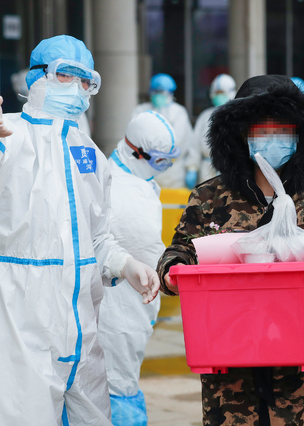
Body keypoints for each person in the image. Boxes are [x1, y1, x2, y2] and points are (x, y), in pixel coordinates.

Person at [0, 35, 160, 426]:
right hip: (18, 322)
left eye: (85, 81)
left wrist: (127, 264)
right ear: (36, 78)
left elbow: (96, 237)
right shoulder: (6, 136)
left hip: (82, 327)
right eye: (65, 76)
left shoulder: (90, 154)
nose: (76, 90)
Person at [156, 75, 304, 424]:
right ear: (240, 134)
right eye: (261, 130)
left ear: (301, 135)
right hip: (230, 378)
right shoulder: (210, 198)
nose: (272, 139)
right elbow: (179, 252)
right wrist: (172, 275)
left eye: (283, 130)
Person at [98, 110, 179, 425]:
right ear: (136, 151)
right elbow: (155, 259)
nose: (164, 169)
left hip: (127, 309)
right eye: (160, 161)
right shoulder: (123, 192)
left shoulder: (127, 174)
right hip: (118, 314)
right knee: (116, 390)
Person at [131, 73, 198, 189]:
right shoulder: (141, 110)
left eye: (162, 92)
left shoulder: (178, 112)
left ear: (171, 93)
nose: (159, 95)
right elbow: (134, 137)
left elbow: (181, 141)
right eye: (156, 92)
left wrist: (191, 168)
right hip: (145, 171)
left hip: (173, 174)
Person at [192, 73, 236, 184]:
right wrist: (192, 168)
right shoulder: (204, 116)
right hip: (206, 169)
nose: (219, 96)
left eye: (222, 93)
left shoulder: (237, 115)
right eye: (217, 93)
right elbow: (194, 146)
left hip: (231, 169)